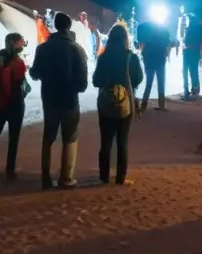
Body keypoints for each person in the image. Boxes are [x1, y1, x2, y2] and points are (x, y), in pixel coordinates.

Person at [30, 12, 88, 189]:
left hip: (49, 99)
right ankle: (66, 177)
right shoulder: (77, 49)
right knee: (70, 138)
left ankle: (45, 177)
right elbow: (83, 83)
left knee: (48, 137)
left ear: (55, 25)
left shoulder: (43, 48)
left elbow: (35, 73)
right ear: (69, 26)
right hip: (70, 100)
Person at [92, 24, 144, 185]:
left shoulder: (103, 57)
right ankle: (121, 177)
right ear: (125, 39)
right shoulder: (131, 57)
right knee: (122, 142)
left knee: (105, 142)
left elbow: (96, 81)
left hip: (106, 103)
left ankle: (104, 176)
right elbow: (139, 78)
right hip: (125, 103)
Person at [0, 33, 29, 179]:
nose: (22, 45)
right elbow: (20, 84)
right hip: (15, 104)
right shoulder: (18, 62)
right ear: (15, 43)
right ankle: (10, 168)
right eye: (21, 42)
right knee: (13, 137)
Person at [137, 19, 174, 112]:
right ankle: (161, 106)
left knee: (148, 83)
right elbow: (169, 44)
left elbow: (141, 44)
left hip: (149, 60)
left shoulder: (146, 29)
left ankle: (143, 105)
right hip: (160, 60)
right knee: (161, 83)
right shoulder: (163, 31)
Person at [182, 12, 202, 100]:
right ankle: (195, 88)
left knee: (187, 71)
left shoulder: (192, 28)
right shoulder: (199, 27)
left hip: (189, 50)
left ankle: (188, 90)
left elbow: (186, 40)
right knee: (193, 70)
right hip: (194, 50)